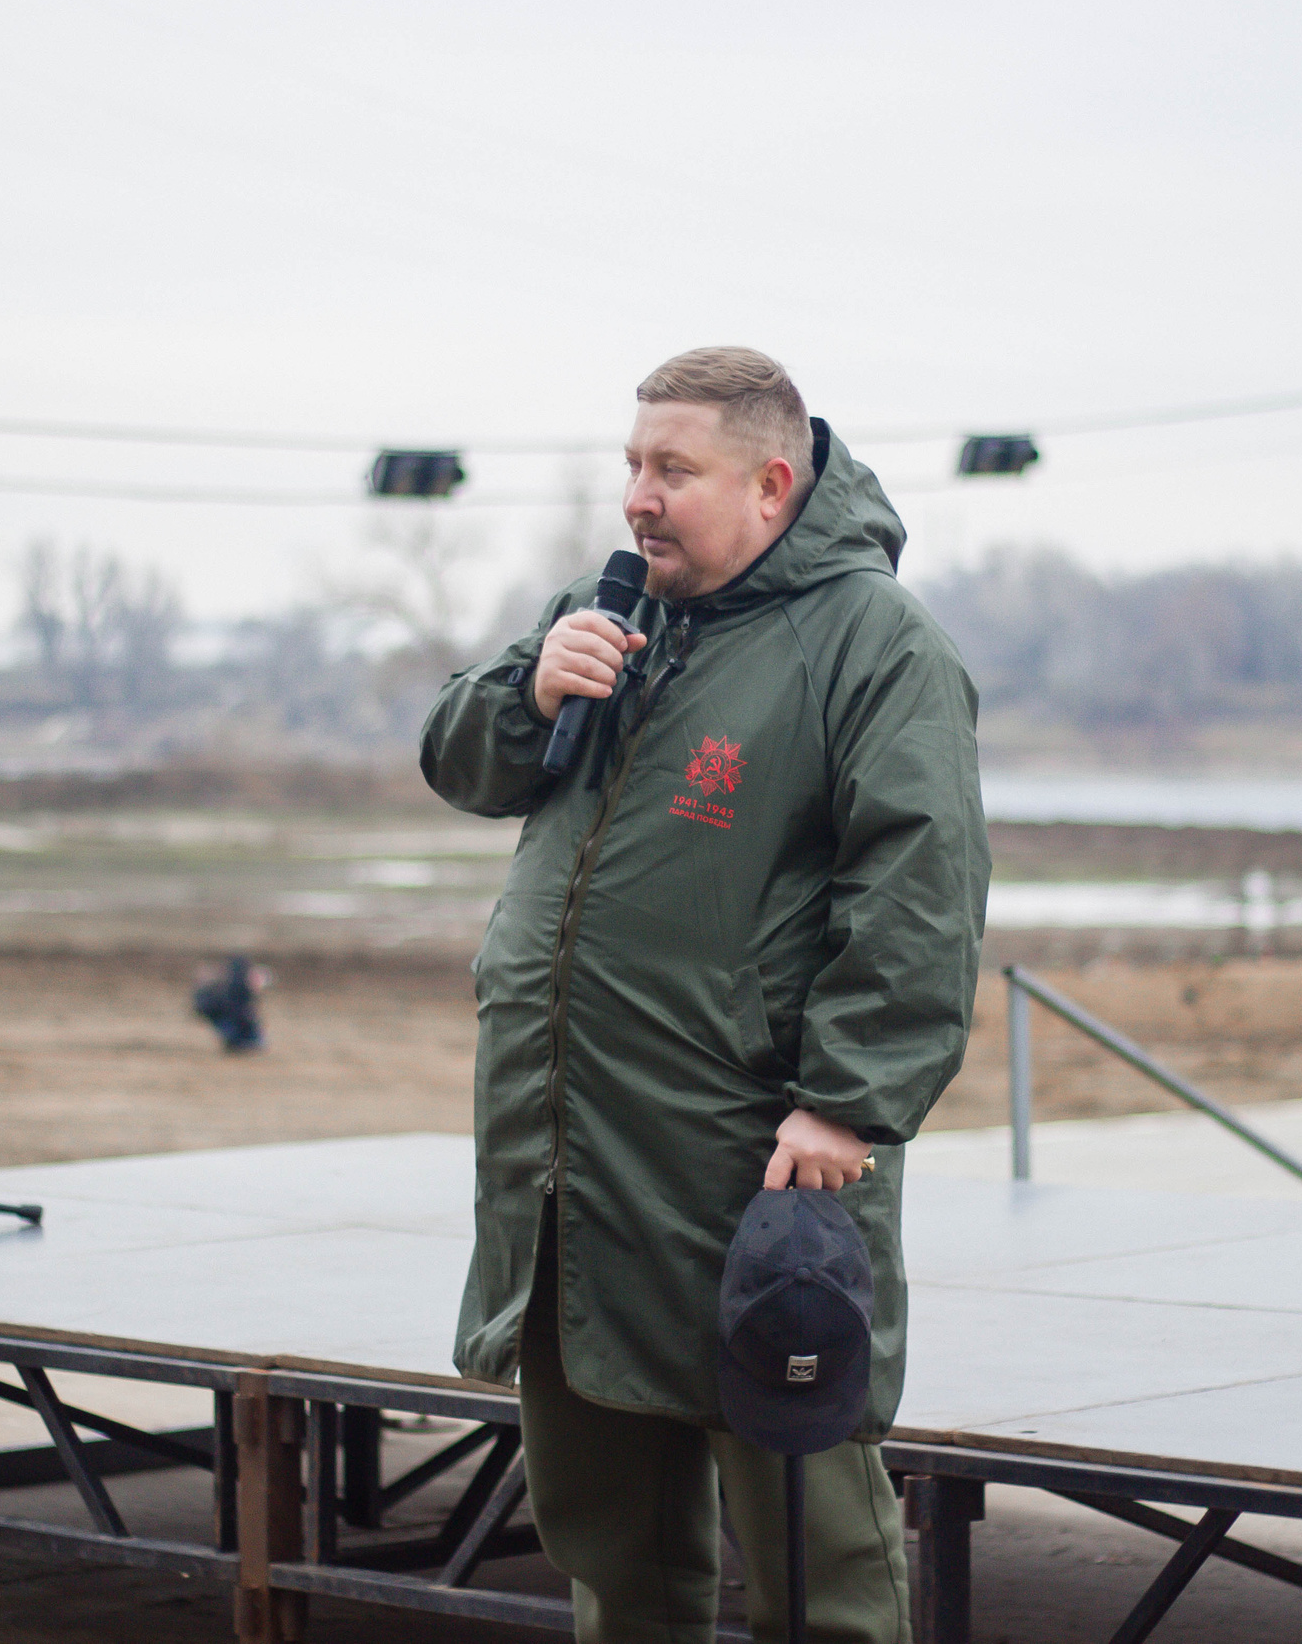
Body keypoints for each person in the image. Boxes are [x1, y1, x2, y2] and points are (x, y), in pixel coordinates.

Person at [421, 348, 989, 1643]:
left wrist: (847, 1104)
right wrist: (528, 689)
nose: (638, 496)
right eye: (633, 463)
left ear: (772, 481)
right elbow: (460, 758)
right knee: (614, 1556)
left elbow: (923, 887)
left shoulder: (874, 643)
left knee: (814, 1559)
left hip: (755, 1178)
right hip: (573, 1168)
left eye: (672, 468)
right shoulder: (610, 605)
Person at [192, 954, 264, 1051]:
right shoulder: (223, 989)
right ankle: (241, 1041)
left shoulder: (227, 986)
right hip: (232, 1020)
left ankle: (242, 1041)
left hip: (235, 1023)